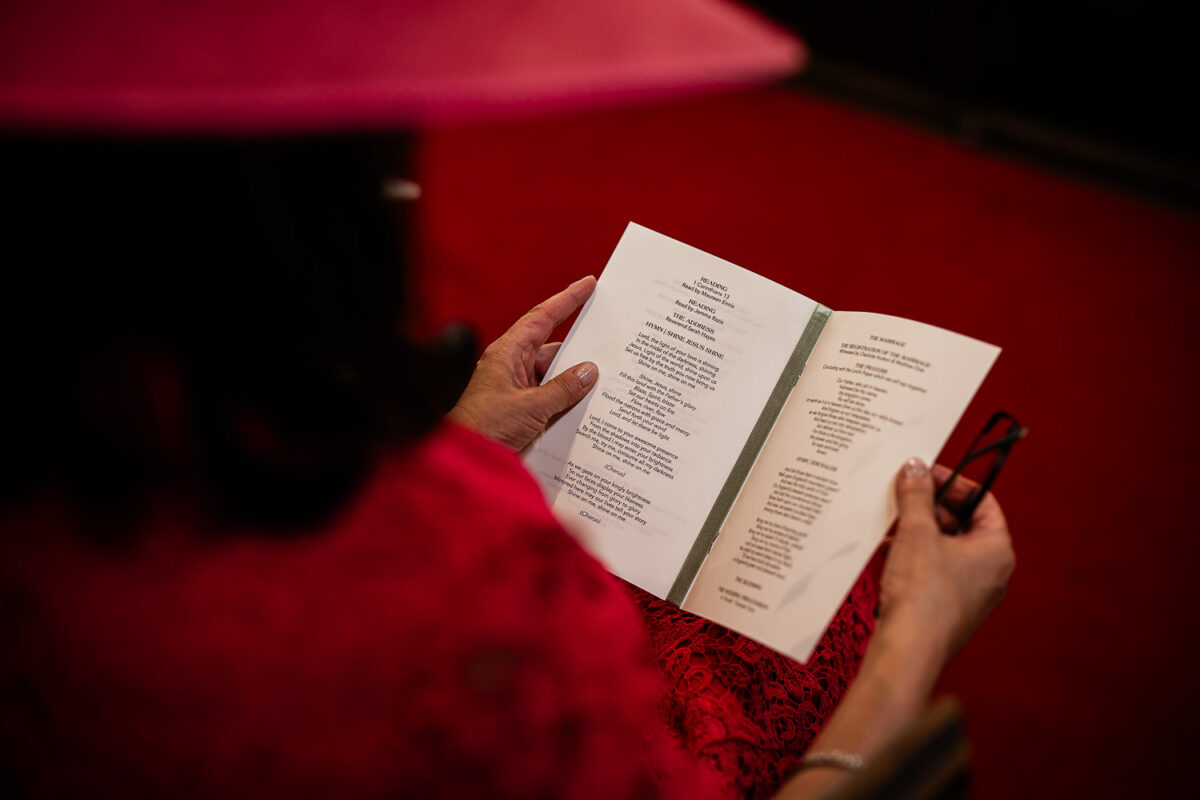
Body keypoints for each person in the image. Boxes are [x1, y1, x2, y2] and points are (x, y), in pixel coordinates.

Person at [0, 2, 1013, 798]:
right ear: (324, 209)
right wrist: (916, 632)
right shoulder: (470, 576)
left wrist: (457, 433)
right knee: (845, 592)